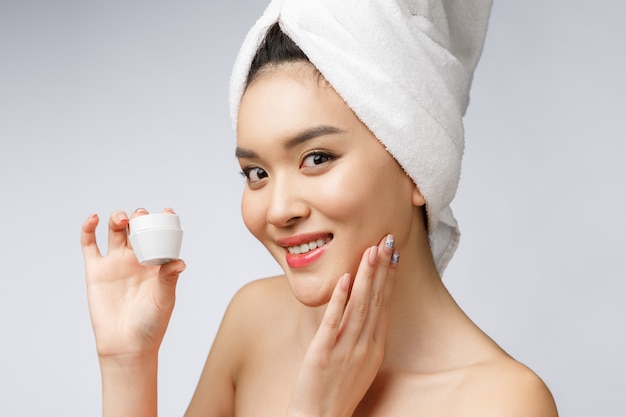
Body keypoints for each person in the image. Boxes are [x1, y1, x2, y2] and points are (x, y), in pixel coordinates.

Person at [81, 1, 558, 416]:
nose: (278, 210)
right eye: (257, 173)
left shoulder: (503, 402)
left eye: (317, 158)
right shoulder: (254, 322)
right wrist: (127, 363)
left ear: (417, 166)